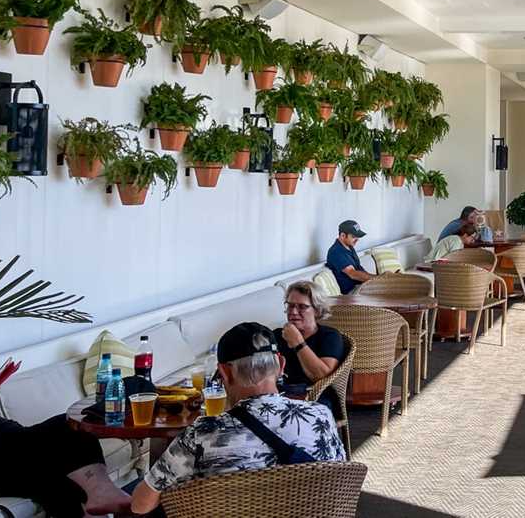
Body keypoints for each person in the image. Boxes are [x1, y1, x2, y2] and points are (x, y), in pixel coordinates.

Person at [131, 323, 345, 515]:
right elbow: (340, 482)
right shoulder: (322, 416)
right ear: (280, 364)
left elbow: (140, 505)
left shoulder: (203, 434)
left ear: (225, 372)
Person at [0, 380, 132, 516]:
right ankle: (103, 498)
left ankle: (102, 494)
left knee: (71, 425)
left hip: (7, 438)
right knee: (54, 475)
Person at [275, 281, 347, 405]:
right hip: (280, 396)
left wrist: (298, 343)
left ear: (317, 311)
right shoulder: (277, 335)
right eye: (290, 305)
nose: (293, 312)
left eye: (302, 307)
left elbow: (321, 376)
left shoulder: (329, 336)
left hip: (315, 398)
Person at [325, 219, 373, 294]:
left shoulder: (349, 247)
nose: (357, 240)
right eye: (354, 236)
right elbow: (352, 274)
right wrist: (377, 279)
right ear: (343, 236)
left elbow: (358, 268)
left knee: (391, 282)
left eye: (358, 237)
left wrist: (381, 278)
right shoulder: (336, 252)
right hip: (352, 291)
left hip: (361, 285)